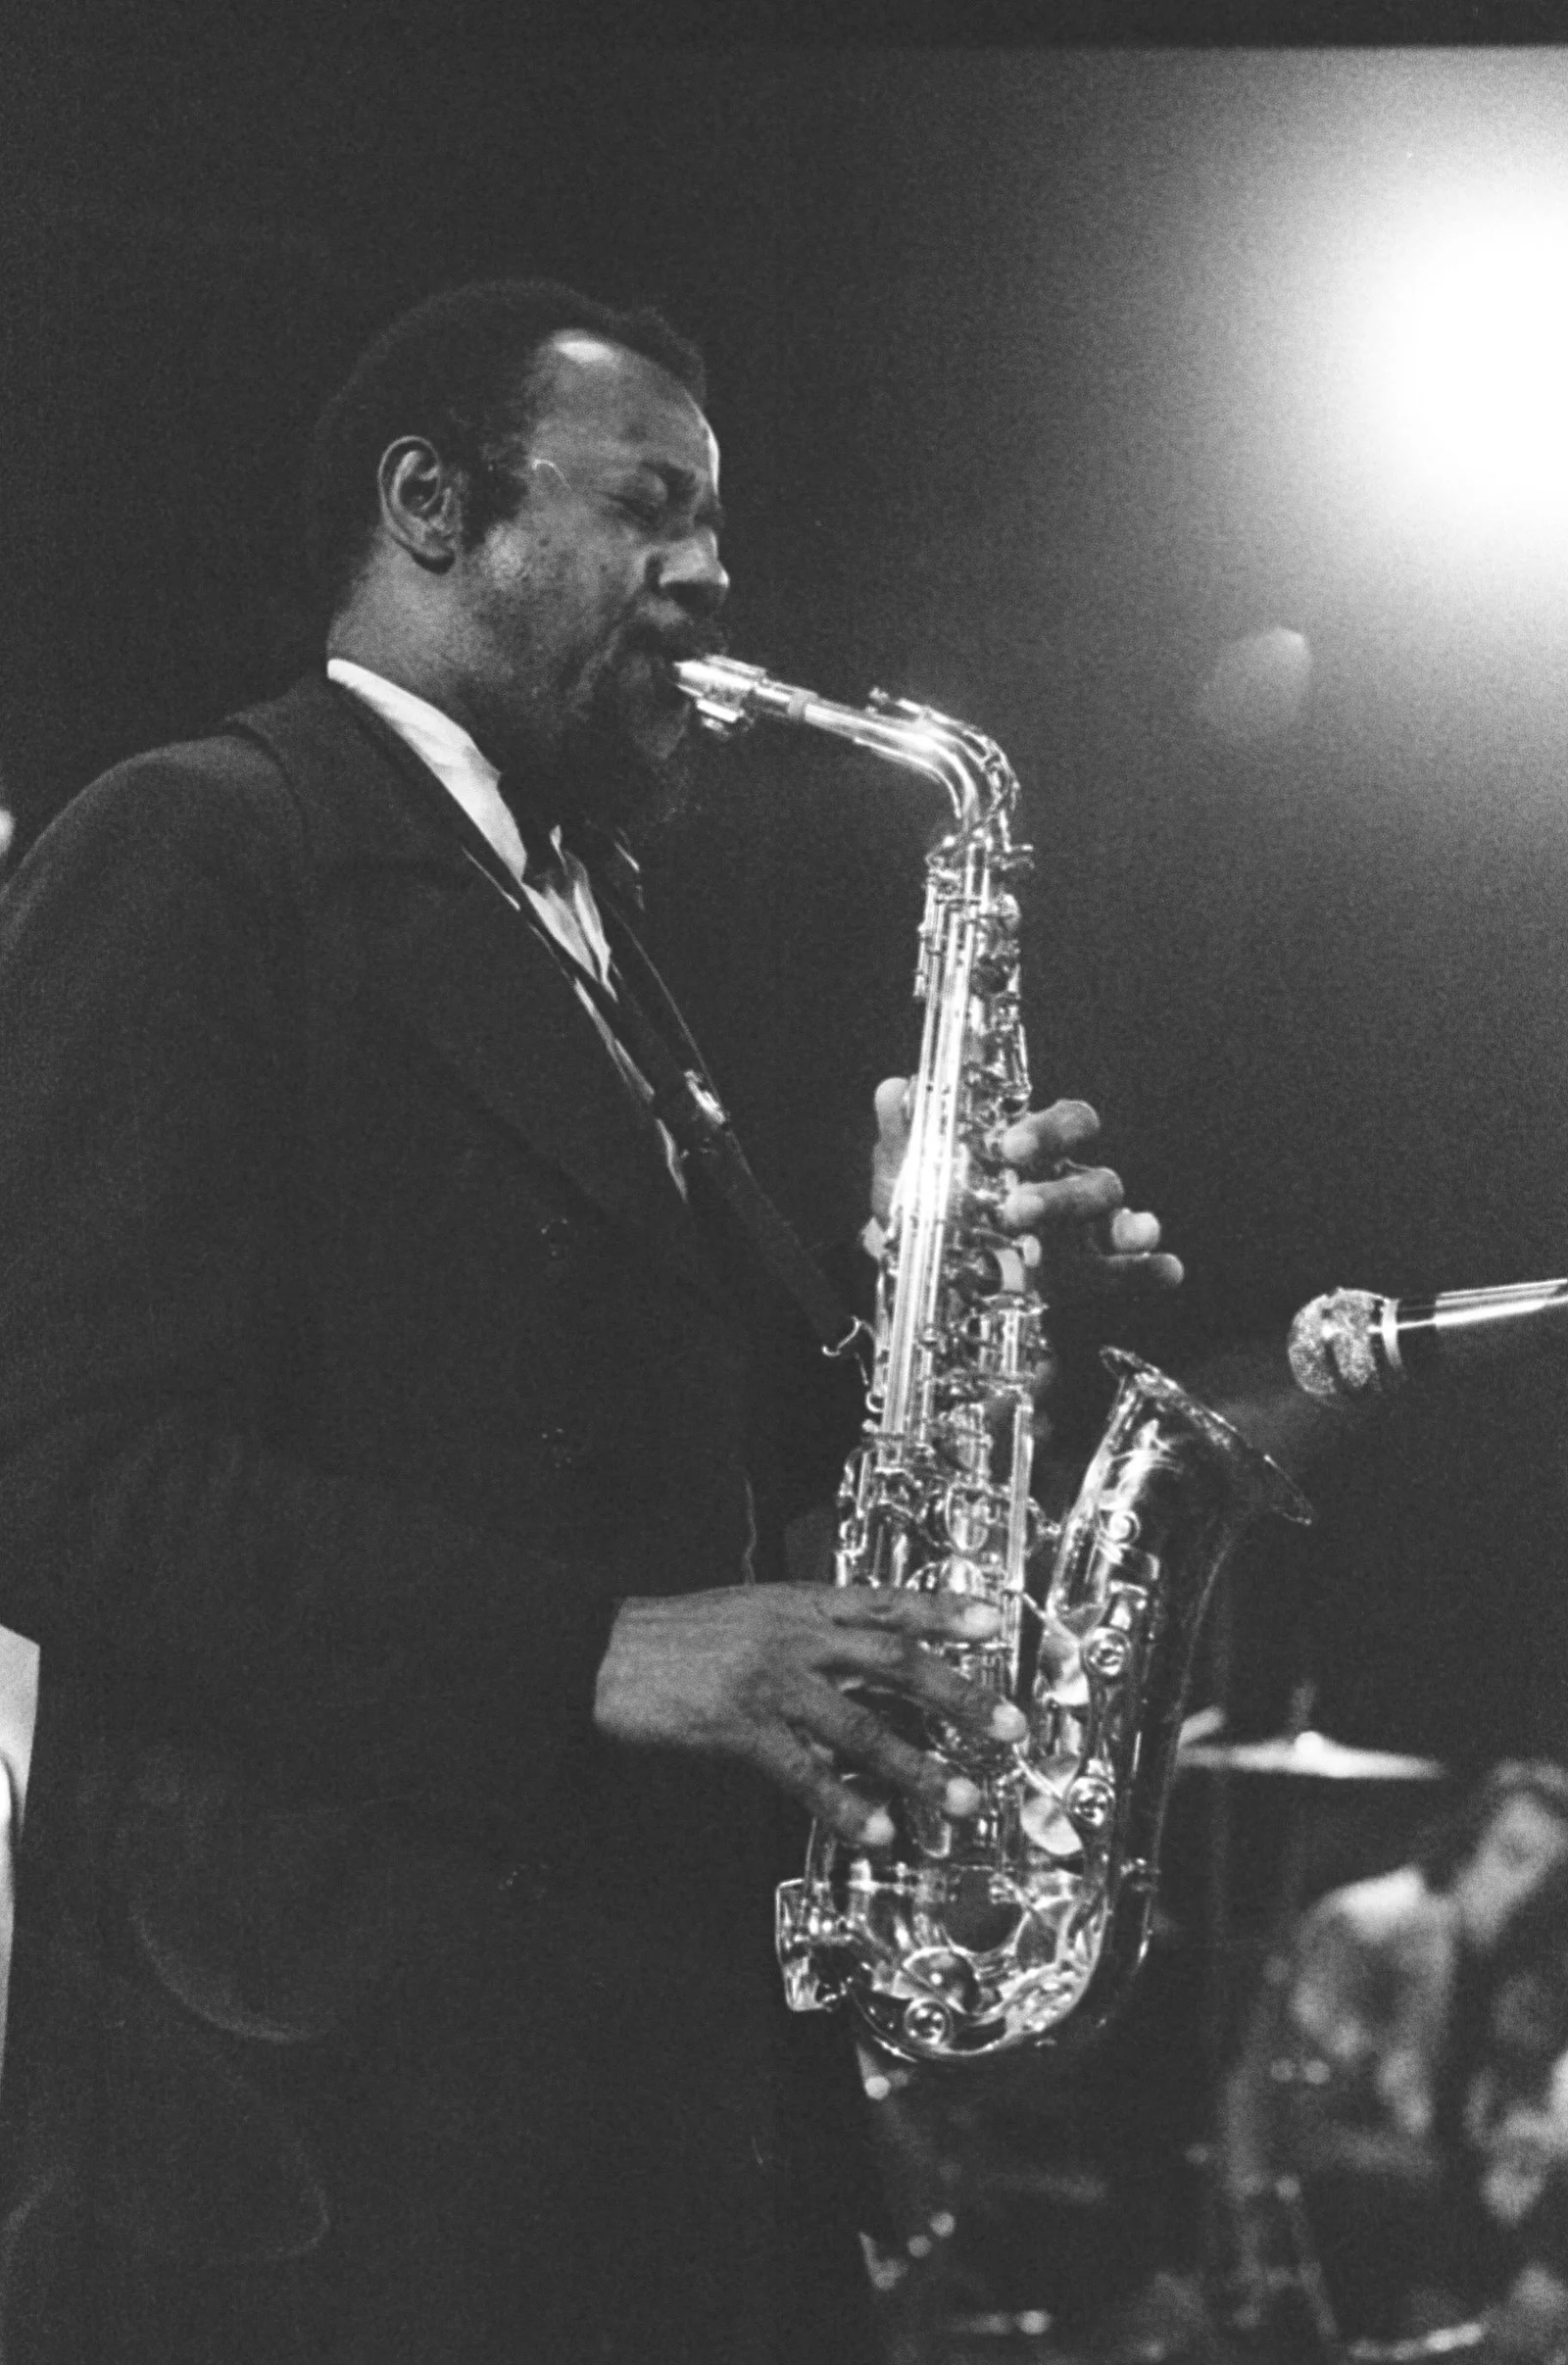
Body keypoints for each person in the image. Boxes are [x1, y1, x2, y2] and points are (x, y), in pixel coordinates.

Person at [0, 278, 1180, 2364]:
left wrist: (941, 1277)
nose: (709, 573)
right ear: (430, 506)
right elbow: (57, 1469)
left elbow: (645, 1436)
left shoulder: (582, 918)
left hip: (639, 2100)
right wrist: (596, 1650)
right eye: (648, 505)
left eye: (710, 520)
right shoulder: (199, 840)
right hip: (335, 2142)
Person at [1220, 1760, 1568, 2351]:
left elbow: (1510, 2103)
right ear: (1467, 1846)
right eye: (1514, 1856)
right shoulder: (1368, 1930)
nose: (1529, 1889)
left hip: (1436, 2217)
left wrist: (1521, 2145)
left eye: (1552, 1875)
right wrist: (1460, 2170)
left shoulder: (1521, 1967)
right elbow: (1292, 2121)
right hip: (1339, 2224)